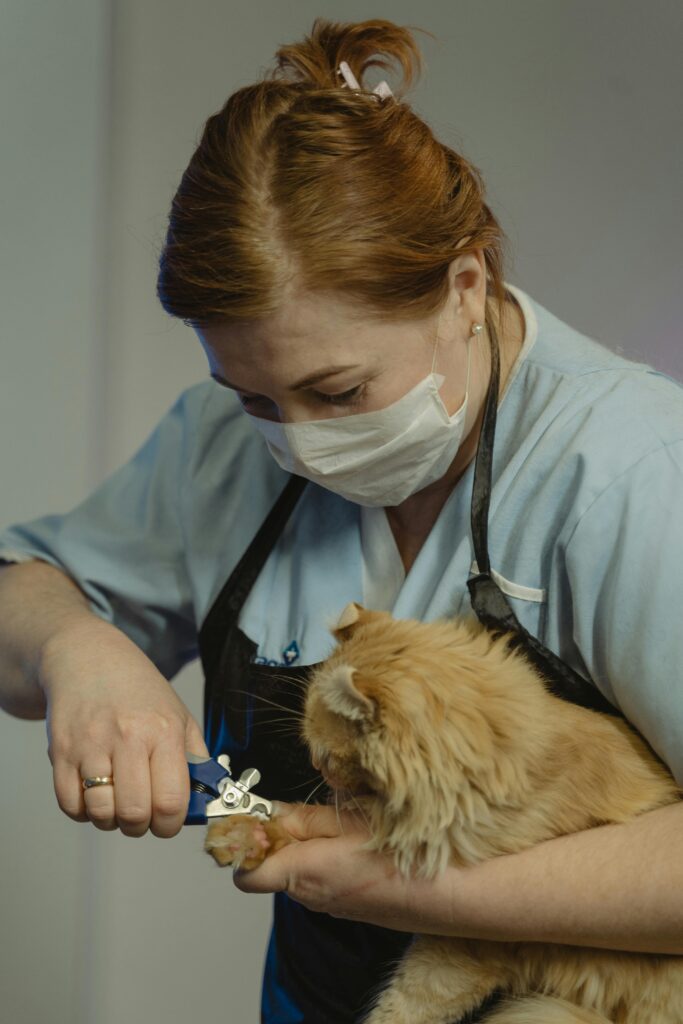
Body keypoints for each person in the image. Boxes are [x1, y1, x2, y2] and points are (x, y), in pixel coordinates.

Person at [1, 16, 682, 1024]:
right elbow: (20, 593)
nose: (301, 444)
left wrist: (400, 882)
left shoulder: (628, 471)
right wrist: (74, 646)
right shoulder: (218, 446)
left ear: (462, 287)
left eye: (339, 389)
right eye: (258, 400)